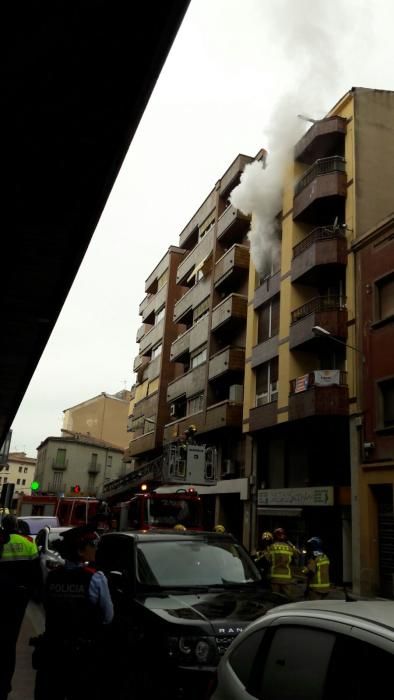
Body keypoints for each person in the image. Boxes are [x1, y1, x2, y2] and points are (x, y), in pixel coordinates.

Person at [34, 524, 114, 700]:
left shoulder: (53, 576)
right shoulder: (96, 578)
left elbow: (48, 605)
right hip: (83, 654)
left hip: (53, 652)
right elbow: (107, 617)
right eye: (92, 545)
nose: (96, 549)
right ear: (80, 551)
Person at [0, 514, 40, 700]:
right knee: (10, 643)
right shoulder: (28, 542)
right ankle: (5, 683)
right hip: (19, 599)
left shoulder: (2, 542)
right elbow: (36, 574)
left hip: (2, 596)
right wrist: (30, 593)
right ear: (17, 525)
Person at [267, 527, 298, 598]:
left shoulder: (272, 547)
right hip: (286, 578)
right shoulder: (289, 548)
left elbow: (267, 559)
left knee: (274, 599)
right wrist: (292, 545)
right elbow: (297, 555)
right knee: (286, 600)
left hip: (274, 578)